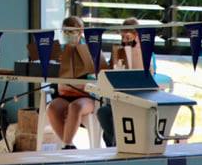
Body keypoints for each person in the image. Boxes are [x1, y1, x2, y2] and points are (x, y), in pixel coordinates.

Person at [97, 18, 153, 147]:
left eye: (128, 37)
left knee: (120, 114)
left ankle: (119, 143)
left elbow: (149, 78)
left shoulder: (146, 52)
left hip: (138, 99)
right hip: (119, 99)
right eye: (123, 38)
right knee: (104, 112)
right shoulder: (119, 52)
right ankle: (114, 144)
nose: (125, 41)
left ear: (137, 36)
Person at [45, 16, 98, 150]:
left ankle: (66, 146)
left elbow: (98, 75)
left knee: (75, 107)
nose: (68, 35)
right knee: (51, 108)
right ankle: (68, 145)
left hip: (86, 97)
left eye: (71, 32)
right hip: (64, 95)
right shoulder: (60, 51)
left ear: (80, 32)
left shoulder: (91, 50)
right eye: (65, 32)